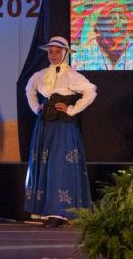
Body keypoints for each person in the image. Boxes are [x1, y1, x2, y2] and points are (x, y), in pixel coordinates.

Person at [24, 36, 96, 227]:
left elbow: (91, 91)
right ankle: (45, 209)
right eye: (51, 51)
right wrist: (36, 108)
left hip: (63, 127)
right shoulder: (40, 75)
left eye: (58, 51)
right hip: (44, 126)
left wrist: (72, 109)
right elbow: (29, 90)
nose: (54, 55)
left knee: (59, 166)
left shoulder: (72, 75)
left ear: (65, 53)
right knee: (45, 164)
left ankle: (59, 212)